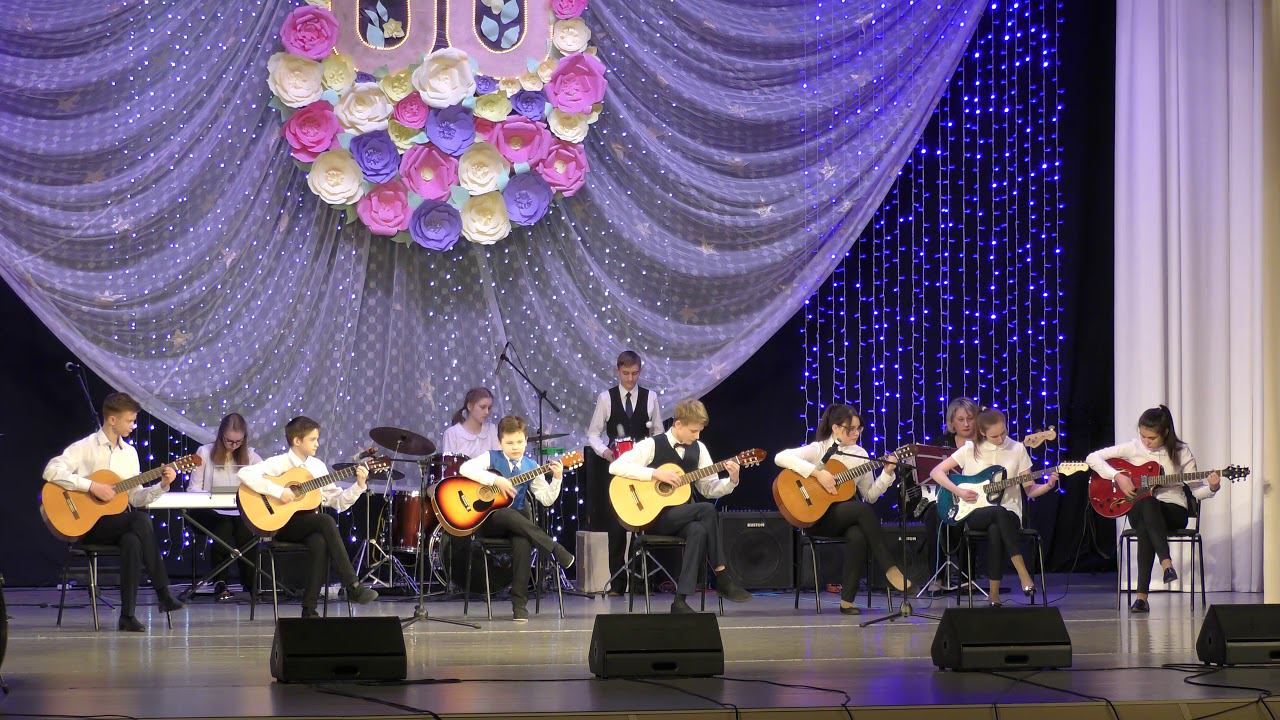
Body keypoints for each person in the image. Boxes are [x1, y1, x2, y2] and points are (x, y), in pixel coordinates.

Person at [42, 392, 185, 631]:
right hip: (86, 525)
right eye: (130, 421)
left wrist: (162, 485)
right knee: (140, 521)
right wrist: (91, 486)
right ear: (112, 420)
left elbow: (135, 497)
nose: (133, 425)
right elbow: (51, 470)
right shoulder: (85, 447)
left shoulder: (130, 454)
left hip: (117, 525)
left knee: (133, 540)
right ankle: (163, 592)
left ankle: (127, 616)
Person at [609, 398, 753, 613]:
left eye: (700, 431)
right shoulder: (652, 444)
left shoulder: (699, 449)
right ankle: (722, 575)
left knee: (698, 530)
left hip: (683, 517)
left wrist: (732, 480)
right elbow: (615, 466)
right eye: (694, 431)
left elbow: (708, 488)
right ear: (678, 424)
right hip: (653, 518)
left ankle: (680, 600)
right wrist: (654, 473)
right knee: (706, 509)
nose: (697, 436)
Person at [774, 404, 909, 615]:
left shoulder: (861, 454)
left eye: (859, 429)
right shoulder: (819, 449)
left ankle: (847, 601)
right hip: (815, 518)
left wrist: (887, 473)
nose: (856, 433)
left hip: (842, 518)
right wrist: (818, 474)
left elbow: (870, 496)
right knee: (861, 511)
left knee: (858, 534)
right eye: (850, 429)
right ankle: (889, 567)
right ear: (836, 428)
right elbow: (780, 457)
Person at [237, 416, 379, 617]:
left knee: (320, 541)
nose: (317, 444)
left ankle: (309, 610)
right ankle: (353, 586)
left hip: (306, 525)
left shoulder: (317, 466)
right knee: (325, 521)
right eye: (313, 439)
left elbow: (337, 502)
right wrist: (279, 492)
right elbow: (244, 474)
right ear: (297, 441)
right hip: (280, 524)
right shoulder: (279, 463)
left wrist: (359, 485)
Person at [1085, 405, 1220, 614]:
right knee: (1147, 503)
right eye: (1143, 436)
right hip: (1142, 508)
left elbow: (1196, 491)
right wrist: (1118, 477)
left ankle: (1142, 598)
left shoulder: (1181, 452)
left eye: (1151, 438)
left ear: (1165, 433)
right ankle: (1166, 564)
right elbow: (1092, 458)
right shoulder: (1133, 447)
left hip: (1173, 510)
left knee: (1147, 517)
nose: (1146, 442)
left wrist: (1212, 487)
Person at [928, 408, 1058, 606]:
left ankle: (994, 595)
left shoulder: (1017, 449)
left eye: (1003, 433)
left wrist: (1048, 485)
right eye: (994, 436)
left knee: (997, 524)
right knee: (997, 514)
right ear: (982, 433)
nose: (1000, 439)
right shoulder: (970, 449)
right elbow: (936, 472)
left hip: (1010, 513)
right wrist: (959, 491)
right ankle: (1022, 573)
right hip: (975, 512)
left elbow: (1030, 490)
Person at [458, 415, 576, 623]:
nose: (515, 447)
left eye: (520, 442)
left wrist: (557, 479)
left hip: (518, 525)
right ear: (500, 442)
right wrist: (496, 480)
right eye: (510, 443)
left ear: (526, 440)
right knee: (506, 512)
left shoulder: (531, 466)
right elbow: (464, 469)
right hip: (491, 521)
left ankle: (519, 605)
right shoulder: (491, 457)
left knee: (523, 540)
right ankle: (555, 549)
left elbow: (546, 499)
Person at [585, 350, 663, 594]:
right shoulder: (605, 398)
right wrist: (605, 452)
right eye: (626, 373)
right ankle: (617, 583)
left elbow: (658, 433)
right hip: (617, 468)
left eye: (635, 373)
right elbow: (593, 434)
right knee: (616, 525)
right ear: (617, 371)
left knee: (643, 521)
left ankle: (640, 582)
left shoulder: (650, 397)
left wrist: (652, 454)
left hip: (643, 469)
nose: (630, 379)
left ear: (640, 371)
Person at [188, 413, 262, 601]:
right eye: (229, 441)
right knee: (224, 526)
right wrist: (211, 497)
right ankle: (220, 582)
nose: (233, 445)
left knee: (247, 529)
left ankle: (251, 583)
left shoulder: (251, 456)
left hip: (239, 511)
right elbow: (193, 488)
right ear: (221, 435)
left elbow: (266, 480)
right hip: (209, 511)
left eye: (238, 442)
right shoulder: (204, 452)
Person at [442, 387, 500, 459]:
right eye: (482, 407)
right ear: (469, 406)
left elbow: (499, 461)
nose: (487, 412)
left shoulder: (492, 430)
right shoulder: (452, 434)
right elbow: (448, 463)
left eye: (489, 408)